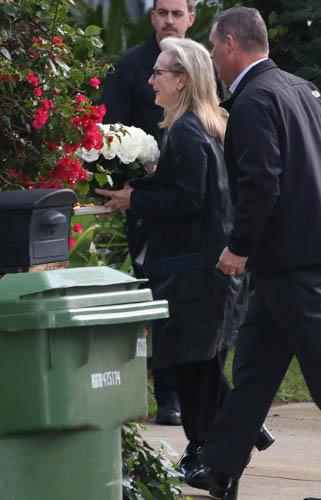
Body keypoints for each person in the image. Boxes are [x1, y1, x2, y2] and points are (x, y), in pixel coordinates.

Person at [96, 36, 273, 493]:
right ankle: (235, 439)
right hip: (202, 269)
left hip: (193, 272)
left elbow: (189, 198)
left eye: (159, 73)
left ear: (182, 81)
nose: (150, 79)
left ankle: (213, 455)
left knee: (194, 369)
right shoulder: (203, 126)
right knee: (200, 366)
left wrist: (135, 198)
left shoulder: (189, 131)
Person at [186, 7, 321, 500]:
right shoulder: (301, 89)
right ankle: (220, 468)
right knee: (255, 370)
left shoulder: (253, 99)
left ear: (228, 44)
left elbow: (262, 181)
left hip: (292, 260)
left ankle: (220, 465)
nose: (215, 60)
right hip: (295, 257)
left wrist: (239, 246)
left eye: (214, 46)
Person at [100, 0, 197, 426]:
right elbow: (109, 133)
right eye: (162, 12)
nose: (169, 20)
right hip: (146, 204)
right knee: (156, 298)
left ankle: (201, 390)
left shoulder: (202, 64)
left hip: (195, 204)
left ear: (192, 18)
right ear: (151, 17)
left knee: (193, 303)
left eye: (177, 13)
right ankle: (169, 394)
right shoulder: (130, 67)